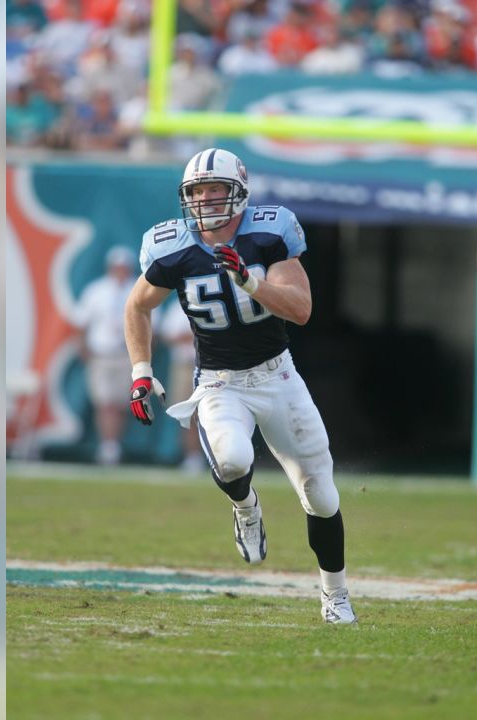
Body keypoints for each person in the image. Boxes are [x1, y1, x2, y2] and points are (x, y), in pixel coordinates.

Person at [122, 148, 356, 624]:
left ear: (239, 193)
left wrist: (250, 281)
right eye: (196, 191)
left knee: (321, 496)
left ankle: (336, 595)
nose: (205, 200)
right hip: (219, 382)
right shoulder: (172, 247)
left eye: (215, 189)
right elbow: (137, 306)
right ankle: (245, 507)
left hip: (278, 375)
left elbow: (301, 308)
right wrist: (141, 372)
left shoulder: (269, 233)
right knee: (231, 460)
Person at [74, 245, 138, 465]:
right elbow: (83, 323)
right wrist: (82, 346)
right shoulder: (96, 291)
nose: (120, 271)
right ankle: (108, 446)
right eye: (117, 267)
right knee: (104, 402)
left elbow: (151, 326)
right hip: (101, 353)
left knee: (121, 403)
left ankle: (114, 444)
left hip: (126, 354)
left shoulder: (136, 290)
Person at [156, 296, 207, 474]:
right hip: (185, 365)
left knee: (210, 413)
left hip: (210, 366)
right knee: (188, 414)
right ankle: (193, 457)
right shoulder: (177, 307)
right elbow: (167, 335)